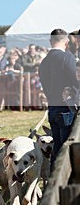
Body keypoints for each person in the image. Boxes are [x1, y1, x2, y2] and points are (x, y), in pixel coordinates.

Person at [38, 28, 78, 165]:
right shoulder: (67, 57)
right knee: (66, 148)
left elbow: (44, 85)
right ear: (66, 42)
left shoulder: (44, 62)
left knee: (57, 146)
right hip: (66, 108)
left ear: (51, 41)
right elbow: (75, 81)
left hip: (52, 107)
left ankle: (53, 173)